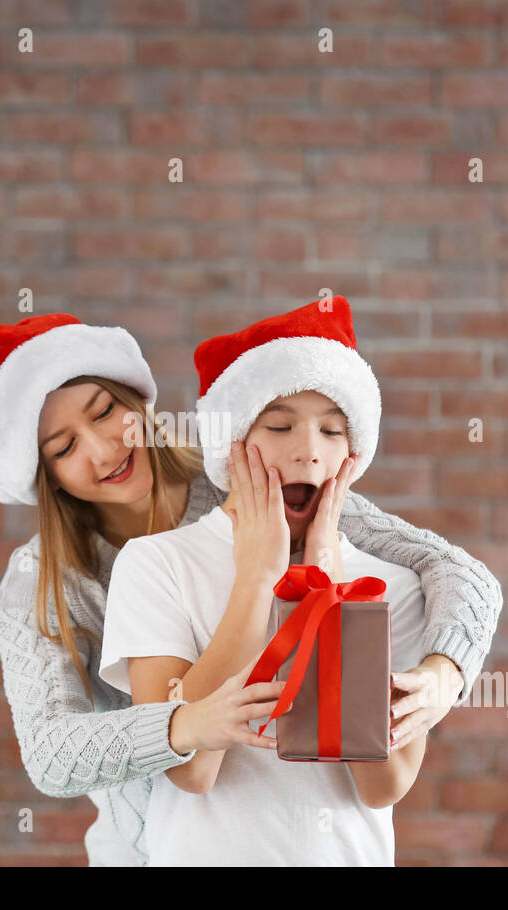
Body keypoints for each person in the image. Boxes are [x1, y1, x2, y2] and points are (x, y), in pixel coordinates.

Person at [0, 305, 503, 865]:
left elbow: (454, 570)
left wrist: (443, 673)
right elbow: (50, 754)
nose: (102, 449)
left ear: (138, 400)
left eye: (106, 411)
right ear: (45, 477)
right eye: (63, 448)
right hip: (145, 840)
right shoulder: (41, 582)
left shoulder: (249, 478)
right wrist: (183, 723)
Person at [100, 297, 454, 865]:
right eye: (280, 424)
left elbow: (383, 786)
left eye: (333, 431)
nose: (309, 451)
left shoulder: (389, 584)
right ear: (232, 442)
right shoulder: (155, 564)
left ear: (353, 454)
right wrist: (255, 582)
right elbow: (189, 769)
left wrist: (329, 596)